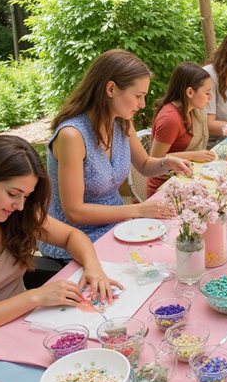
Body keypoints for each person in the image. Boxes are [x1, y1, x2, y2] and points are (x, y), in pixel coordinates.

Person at [0, 135, 116, 375]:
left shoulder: (14, 216)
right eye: (13, 193)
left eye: (26, 196)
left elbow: (71, 236)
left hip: (19, 331)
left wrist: (93, 266)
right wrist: (35, 297)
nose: (20, 205)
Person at [38, 49, 192, 260]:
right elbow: (74, 211)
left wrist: (167, 162)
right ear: (111, 89)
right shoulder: (72, 136)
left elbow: (144, 165)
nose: (142, 104)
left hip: (118, 228)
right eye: (138, 96)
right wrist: (138, 210)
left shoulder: (121, 122)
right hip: (76, 242)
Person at [147, 62, 215, 197]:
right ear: (190, 92)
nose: (211, 97)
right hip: (166, 187)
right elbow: (155, 159)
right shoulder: (170, 119)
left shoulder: (192, 111)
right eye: (207, 92)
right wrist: (193, 155)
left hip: (186, 177)